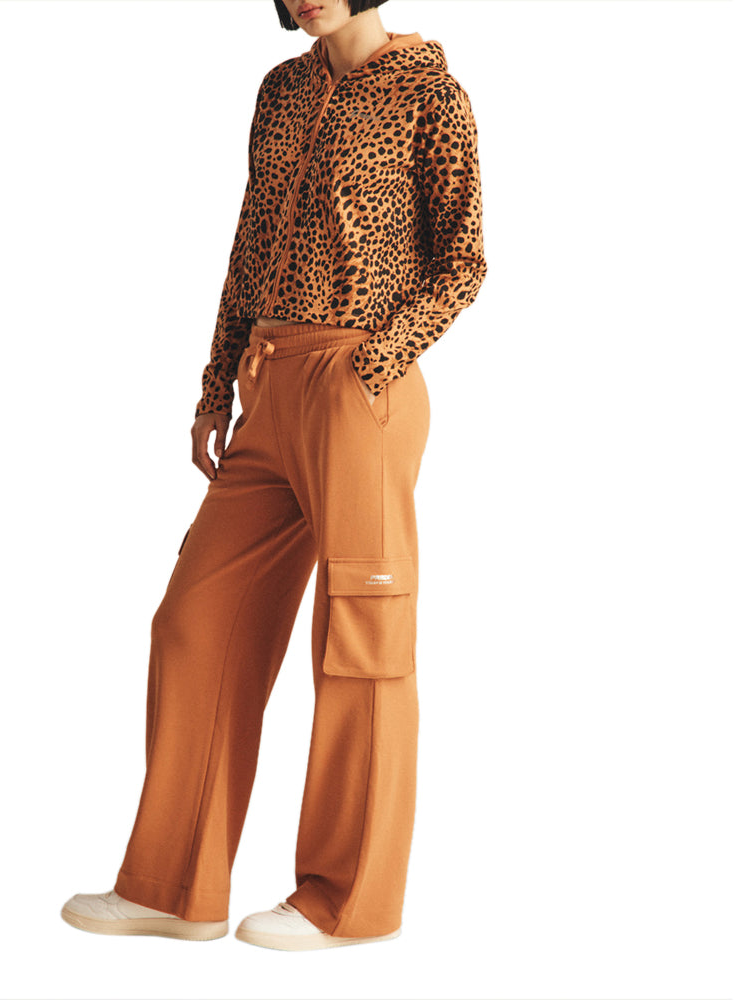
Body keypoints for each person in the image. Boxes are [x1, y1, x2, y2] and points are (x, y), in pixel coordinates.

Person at [61, 0, 487, 951]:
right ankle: (177, 888)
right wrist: (217, 383)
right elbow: (250, 244)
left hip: (357, 384)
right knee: (195, 621)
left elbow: (463, 260)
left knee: (360, 639)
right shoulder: (281, 92)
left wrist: (376, 361)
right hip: (268, 377)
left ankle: (346, 903)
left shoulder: (430, 92)